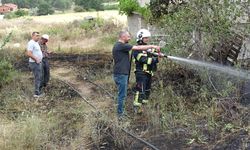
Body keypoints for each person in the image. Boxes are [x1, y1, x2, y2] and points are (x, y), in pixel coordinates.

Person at [112, 30, 160, 120]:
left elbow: (149, 53)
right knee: (122, 95)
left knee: (123, 94)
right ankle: (120, 115)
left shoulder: (121, 46)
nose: (130, 38)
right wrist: (153, 47)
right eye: (128, 37)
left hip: (123, 73)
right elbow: (139, 52)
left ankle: (122, 112)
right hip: (124, 74)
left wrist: (156, 54)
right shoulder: (121, 45)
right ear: (123, 37)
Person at [133, 29, 162, 113]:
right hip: (141, 73)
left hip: (149, 73)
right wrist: (156, 60)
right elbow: (143, 59)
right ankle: (137, 107)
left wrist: (159, 53)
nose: (147, 39)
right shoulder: (137, 49)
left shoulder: (149, 48)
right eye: (145, 38)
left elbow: (155, 54)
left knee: (147, 91)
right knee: (140, 90)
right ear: (140, 38)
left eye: (148, 38)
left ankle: (144, 106)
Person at [26, 32, 43, 97]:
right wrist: (36, 59)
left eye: (38, 36)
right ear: (32, 36)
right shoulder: (31, 43)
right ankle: (36, 93)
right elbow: (29, 53)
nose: (38, 37)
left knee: (38, 76)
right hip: (34, 63)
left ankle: (38, 90)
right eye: (36, 36)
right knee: (37, 77)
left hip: (37, 62)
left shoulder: (36, 43)